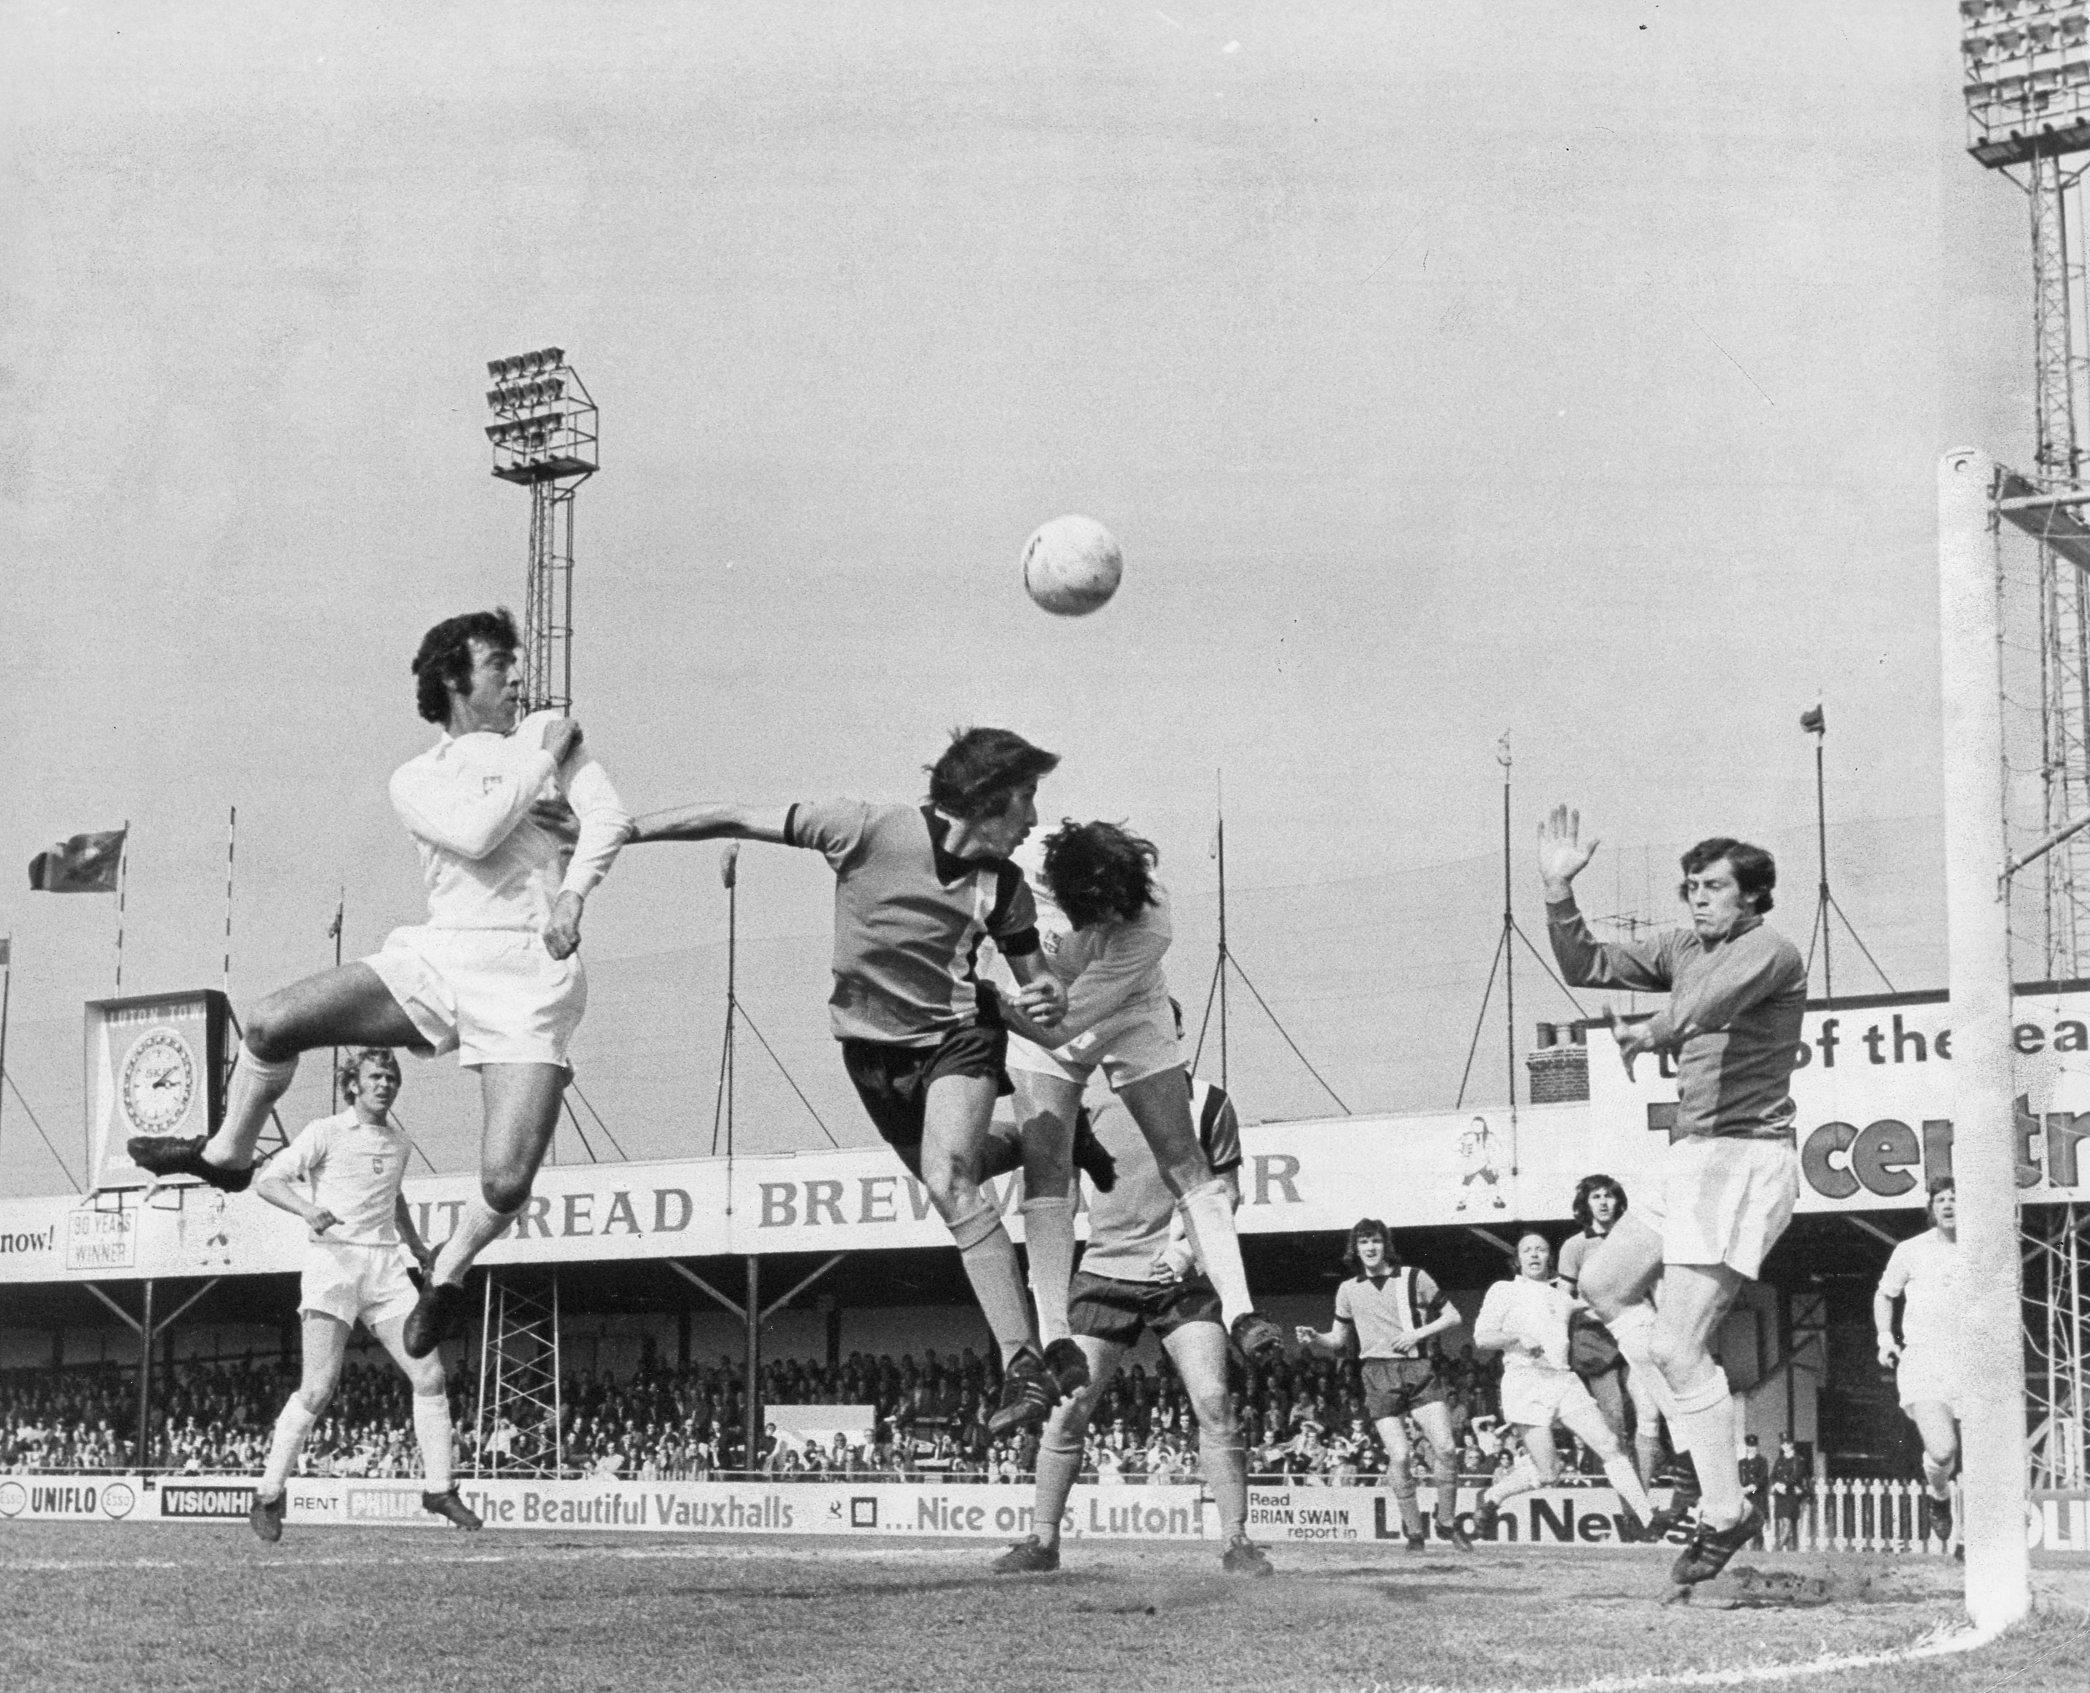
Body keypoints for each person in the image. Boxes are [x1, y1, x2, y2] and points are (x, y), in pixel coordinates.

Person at [133, 609, 631, 1360]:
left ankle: (448, 1272)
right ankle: (229, 1155)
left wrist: (572, 895)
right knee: (268, 1022)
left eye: (517, 663)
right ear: (454, 680)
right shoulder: (419, 777)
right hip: (442, 956)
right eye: (500, 664)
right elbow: (476, 834)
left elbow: (609, 818)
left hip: (531, 973)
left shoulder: (546, 732)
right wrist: (542, 761)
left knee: (505, 1181)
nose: (518, 677)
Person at [627, 728, 1081, 1433]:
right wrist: (624, 831)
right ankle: (1041, 1141)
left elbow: (1037, 984)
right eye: (1025, 798)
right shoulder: (864, 829)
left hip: (958, 1038)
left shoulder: (1006, 887)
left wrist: (1048, 995)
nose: (1032, 817)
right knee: (951, 1174)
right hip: (870, 1056)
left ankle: (1020, 1363)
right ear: (986, 799)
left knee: (951, 1182)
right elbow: (733, 816)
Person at [1538, 807, 1807, 1587]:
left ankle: (1723, 1507)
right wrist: (1557, 889)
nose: (1698, 898)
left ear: (1751, 895)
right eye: (1691, 886)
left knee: (1677, 1346)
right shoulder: (1682, 945)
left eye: (1713, 886)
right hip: (1691, 1155)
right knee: (1602, 1283)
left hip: (1743, 1159)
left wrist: (1651, 1031)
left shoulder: (1770, 950)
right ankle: (1694, 1419)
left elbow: (1706, 1005)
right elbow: (1585, 962)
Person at [1000, 821, 1284, 1372]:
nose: (1109, 922)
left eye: (1118, 914)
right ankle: (1056, 1338)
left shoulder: (1152, 924)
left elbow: (1063, 1029)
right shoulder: (1017, 861)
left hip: (1126, 1012)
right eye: (1099, 912)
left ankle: (1242, 1312)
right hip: (1035, 1003)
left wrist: (990, 1005)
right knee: (1046, 1171)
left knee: (1183, 1158)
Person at [988, 1072, 1272, 1577]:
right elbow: (1058, 1194)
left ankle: (1238, 1540)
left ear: (1174, 1035)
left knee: (1213, 1400)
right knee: (1069, 1407)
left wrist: (1185, 1252)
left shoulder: (1209, 1101)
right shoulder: (1086, 1102)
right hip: (1104, 1273)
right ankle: (1042, 1540)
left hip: (1182, 1279)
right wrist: (1045, 1272)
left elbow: (1225, 1192)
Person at [244, 1049, 481, 1540]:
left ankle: (439, 1488)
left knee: (431, 1375)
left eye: (392, 1077)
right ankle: (268, 1494)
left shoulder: (400, 1142)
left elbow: (393, 1196)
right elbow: (267, 1181)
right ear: (352, 1084)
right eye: (375, 1076)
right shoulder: (325, 1131)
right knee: (318, 1389)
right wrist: (307, 1210)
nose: (385, 1084)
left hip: (385, 1268)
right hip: (333, 1263)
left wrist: (416, 1245)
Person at [1295, 1220, 1473, 1550]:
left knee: (1447, 1448)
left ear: (1385, 1245)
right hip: (1377, 1373)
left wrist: (1417, 1334)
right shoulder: (1348, 1289)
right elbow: (1338, 1340)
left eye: (1375, 1240)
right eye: (1363, 1242)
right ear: (1355, 1248)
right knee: (1400, 1456)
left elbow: (1453, 1316)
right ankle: (1415, 1533)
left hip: (1418, 1369)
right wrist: (1316, 1337)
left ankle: (1446, 1522)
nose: (1370, 1247)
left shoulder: (1414, 1277)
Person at [1470, 1233, 1656, 1543]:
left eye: (1541, 1249)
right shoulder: (1503, 1290)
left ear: (1550, 1258)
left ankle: (1644, 1519)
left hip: (1563, 1380)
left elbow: (1607, 1302)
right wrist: (1516, 1338)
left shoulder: (1561, 1298)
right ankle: (1492, 1497)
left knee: (1610, 1444)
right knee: (1549, 1473)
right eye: (1527, 1250)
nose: (1534, 1254)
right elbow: (1482, 1337)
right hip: (1525, 1381)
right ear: (1517, 1259)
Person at [1557, 1173, 1666, 1487]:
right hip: (1594, 1338)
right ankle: (1628, 1501)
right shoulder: (1574, 1246)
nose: (1603, 1202)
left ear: (1618, 1201)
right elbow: (1563, 1301)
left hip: (1633, 1330)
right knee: (1614, 1418)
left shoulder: (1635, 1240)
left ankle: (1643, 1495)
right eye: (1596, 1196)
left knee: (1649, 1413)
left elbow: (1654, 1289)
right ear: (1585, 1204)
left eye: (1609, 1195)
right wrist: (1594, 1305)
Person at [1875, 1177, 1964, 1550]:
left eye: (1955, 1198)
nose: (1948, 1205)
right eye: (1940, 1199)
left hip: (1973, 1362)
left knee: (1986, 1458)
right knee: (1942, 1451)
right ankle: (1939, 1494)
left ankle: (1975, 1539)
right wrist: (1885, 1338)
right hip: (1925, 1360)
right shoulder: (1910, 1250)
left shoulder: (1984, 1249)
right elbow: (1885, 1295)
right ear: (1931, 1208)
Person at [1769, 1433, 1811, 1551]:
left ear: (1792, 1444)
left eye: (1787, 1443)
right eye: (1783, 1443)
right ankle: (1790, 1548)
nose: (1785, 1446)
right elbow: (1773, 1475)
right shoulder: (1779, 1460)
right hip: (1780, 1495)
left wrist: (1785, 1485)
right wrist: (1776, 1484)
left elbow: (1796, 1475)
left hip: (1790, 1494)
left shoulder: (1798, 1460)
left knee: (1788, 1522)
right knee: (1783, 1522)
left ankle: (1777, 1548)